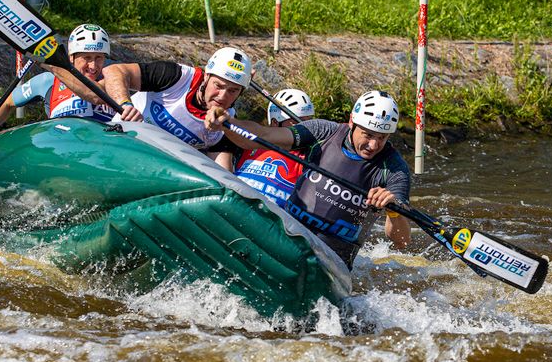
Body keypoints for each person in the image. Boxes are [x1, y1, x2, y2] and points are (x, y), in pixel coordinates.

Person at [205, 89, 412, 269]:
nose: (373, 145)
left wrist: (393, 211)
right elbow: (265, 136)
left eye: (382, 138)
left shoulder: (395, 170)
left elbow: (402, 241)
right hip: (287, 237)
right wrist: (229, 123)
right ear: (351, 122)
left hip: (331, 262)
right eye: (367, 135)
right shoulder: (324, 132)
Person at [50, 45, 254, 160]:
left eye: (233, 91)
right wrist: (125, 103)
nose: (223, 95)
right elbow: (114, 70)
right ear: (206, 78)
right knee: (95, 94)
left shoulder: (226, 125)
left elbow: (223, 177)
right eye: (218, 85)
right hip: (120, 145)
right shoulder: (176, 76)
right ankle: (49, 61)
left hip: (156, 170)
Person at [0, 24, 114, 160]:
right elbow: (7, 102)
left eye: (99, 58)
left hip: (103, 150)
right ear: (71, 57)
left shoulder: (112, 80)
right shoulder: (47, 81)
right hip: (64, 152)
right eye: (87, 58)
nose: (93, 66)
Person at [230, 87, 315, 207]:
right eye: (298, 123)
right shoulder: (250, 142)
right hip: (234, 205)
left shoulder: (309, 157)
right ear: (275, 122)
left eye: (309, 122)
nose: (304, 130)